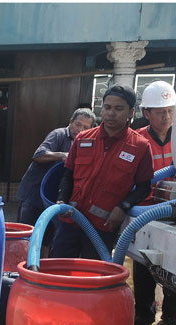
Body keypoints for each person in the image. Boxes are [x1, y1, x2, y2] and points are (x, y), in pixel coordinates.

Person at [50, 85, 153, 259]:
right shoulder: (83, 138)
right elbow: (68, 175)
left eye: (118, 109)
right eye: (107, 107)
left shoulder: (140, 147)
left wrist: (123, 207)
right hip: (71, 222)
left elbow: (144, 187)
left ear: (131, 112)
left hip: (103, 227)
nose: (111, 113)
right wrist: (62, 200)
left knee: (92, 278)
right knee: (58, 272)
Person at [133, 81, 176, 325]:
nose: (167, 116)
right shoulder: (137, 139)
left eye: (171, 111)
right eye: (160, 111)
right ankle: (144, 312)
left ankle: (172, 313)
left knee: (175, 261)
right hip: (145, 210)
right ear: (146, 113)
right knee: (145, 261)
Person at [16, 109, 96, 227]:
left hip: (53, 198)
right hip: (33, 194)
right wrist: (62, 155)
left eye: (85, 127)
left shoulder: (86, 144)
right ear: (71, 121)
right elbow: (38, 155)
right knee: (27, 235)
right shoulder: (59, 134)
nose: (80, 130)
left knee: (47, 239)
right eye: (78, 124)